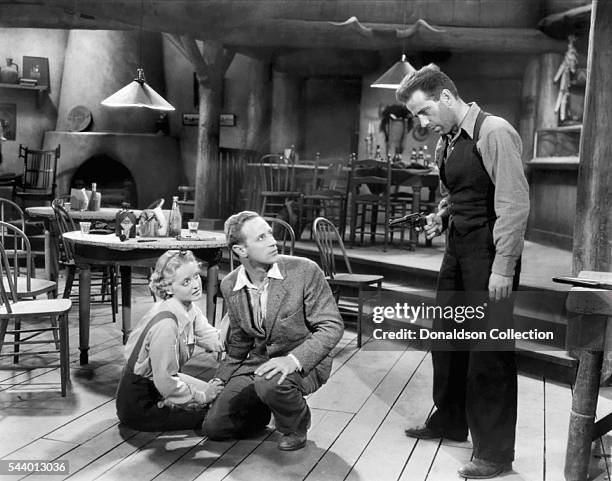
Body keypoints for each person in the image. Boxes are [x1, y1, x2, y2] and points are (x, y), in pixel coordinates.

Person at [396, 65, 530, 479]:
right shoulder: (447, 141)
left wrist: (503, 269)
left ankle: (493, 451)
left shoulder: (494, 132)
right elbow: (457, 194)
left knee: (489, 354)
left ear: (447, 98)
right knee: (447, 339)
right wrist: (440, 216)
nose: (421, 123)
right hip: (457, 250)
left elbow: (514, 204)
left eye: (423, 112)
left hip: (490, 255)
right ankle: (450, 419)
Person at [202, 211, 343, 451]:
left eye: (270, 233)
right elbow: (239, 342)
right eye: (261, 238)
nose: (272, 241)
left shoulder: (304, 271)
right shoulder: (230, 284)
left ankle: (296, 424)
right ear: (240, 251)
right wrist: (220, 378)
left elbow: (332, 326)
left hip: (302, 362)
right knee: (214, 428)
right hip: (257, 363)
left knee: (269, 382)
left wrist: (292, 360)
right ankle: (265, 406)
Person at [116, 249, 224, 432]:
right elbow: (165, 381)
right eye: (186, 282)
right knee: (216, 415)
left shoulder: (189, 309)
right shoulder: (166, 323)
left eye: (196, 276)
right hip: (141, 403)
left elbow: (211, 337)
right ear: (168, 287)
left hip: (161, 386)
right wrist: (203, 397)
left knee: (220, 397)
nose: (196, 284)